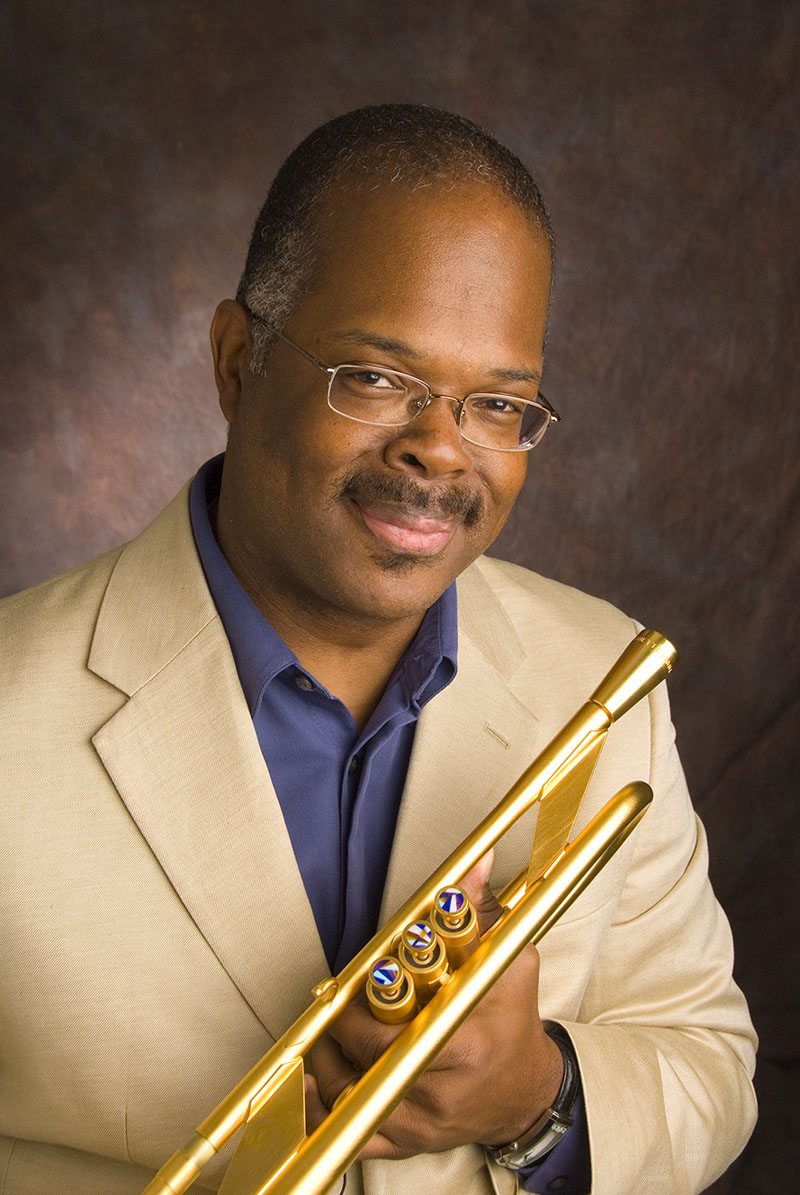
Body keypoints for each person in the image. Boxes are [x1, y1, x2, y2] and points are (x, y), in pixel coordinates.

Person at [0, 105, 756, 1195]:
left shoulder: (603, 675)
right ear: (236, 362)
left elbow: (705, 1057)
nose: (439, 448)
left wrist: (535, 1097)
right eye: (373, 376)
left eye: (497, 403)